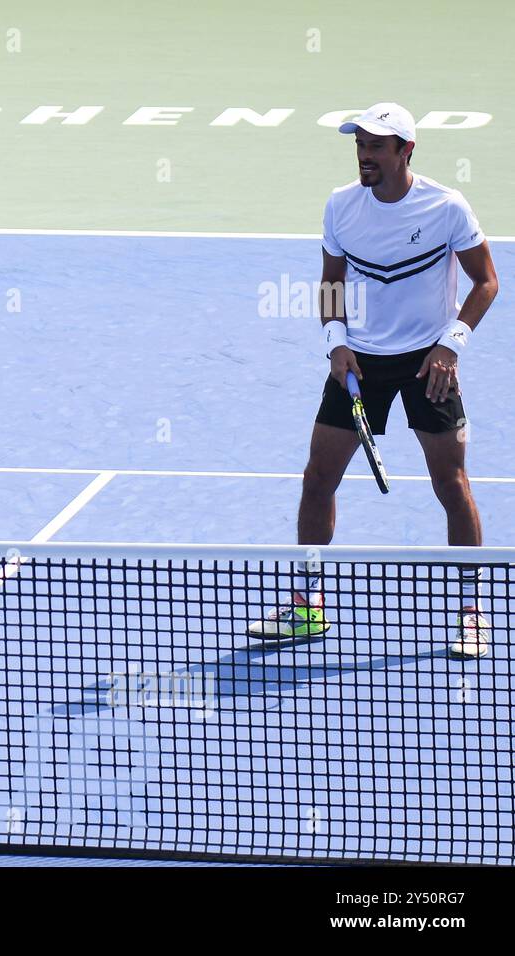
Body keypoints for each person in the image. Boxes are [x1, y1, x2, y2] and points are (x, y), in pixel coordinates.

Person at [249, 103, 499, 658]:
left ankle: (471, 612)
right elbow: (331, 284)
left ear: (406, 152)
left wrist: (450, 347)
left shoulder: (446, 207)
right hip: (358, 362)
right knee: (318, 478)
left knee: (450, 485)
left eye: (376, 146)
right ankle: (306, 606)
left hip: (428, 364)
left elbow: (486, 281)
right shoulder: (342, 206)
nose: (365, 154)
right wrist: (334, 344)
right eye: (360, 144)